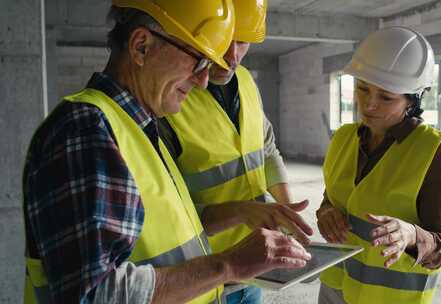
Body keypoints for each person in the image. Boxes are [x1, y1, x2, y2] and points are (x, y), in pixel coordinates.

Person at [22, 1, 312, 303]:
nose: (203, 79)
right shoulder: (85, 132)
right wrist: (228, 265)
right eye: (197, 60)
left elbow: (174, 229)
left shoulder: (138, 127)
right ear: (141, 46)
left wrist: (241, 213)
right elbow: (94, 294)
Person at [160, 1, 313, 303]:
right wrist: (243, 211)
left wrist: (286, 209)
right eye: (224, 40)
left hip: (255, 260)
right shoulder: (171, 97)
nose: (232, 56)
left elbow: (265, 148)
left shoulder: (245, 81)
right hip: (205, 268)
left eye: (242, 42)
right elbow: (169, 211)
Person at [316, 26, 441, 304]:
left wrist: (412, 234)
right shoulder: (344, 137)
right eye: (362, 89)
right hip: (334, 286)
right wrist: (326, 213)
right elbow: (330, 198)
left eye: (386, 97)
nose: (369, 104)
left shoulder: (434, 150)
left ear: (411, 100)